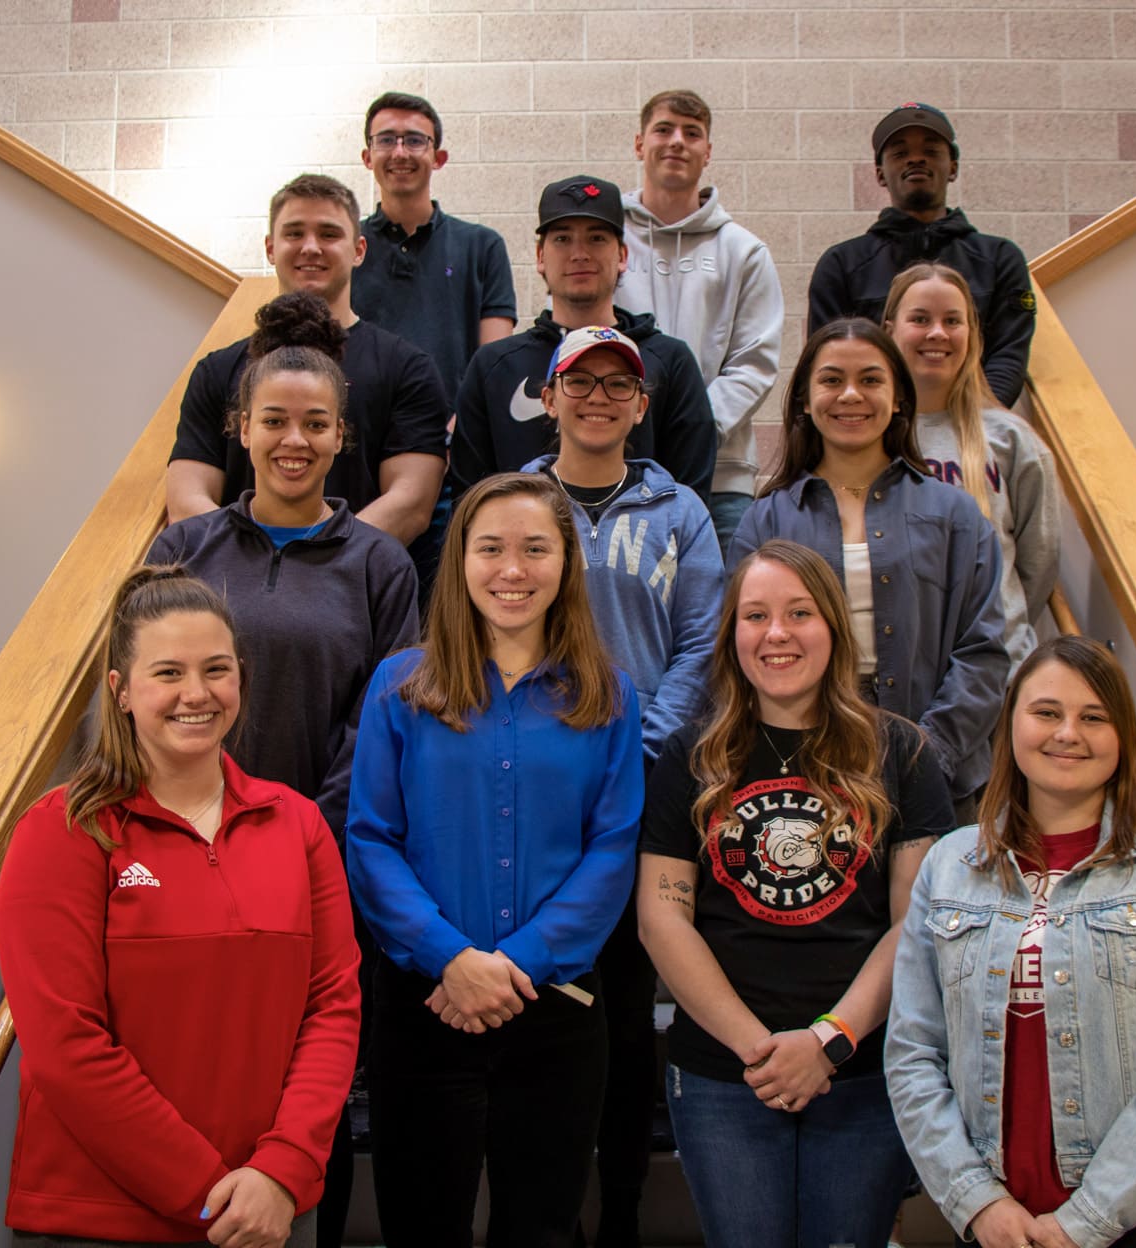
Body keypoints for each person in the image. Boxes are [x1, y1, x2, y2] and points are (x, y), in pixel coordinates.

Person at [148, 293, 418, 1247]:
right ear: (241, 428)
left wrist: (305, 833)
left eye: (314, 424)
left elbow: (384, 719)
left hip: (318, 862)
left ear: (343, 436)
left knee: (312, 1079)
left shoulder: (380, 565)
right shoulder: (185, 550)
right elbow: (149, 693)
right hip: (185, 853)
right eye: (274, 421)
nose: (293, 441)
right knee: (193, 1063)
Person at [0, 567, 359, 1248]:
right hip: (102, 1219)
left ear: (241, 679)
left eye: (216, 669)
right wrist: (208, 1193)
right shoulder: (63, 831)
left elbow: (332, 1007)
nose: (197, 693)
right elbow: (65, 1046)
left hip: (273, 1210)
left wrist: (281, 1171)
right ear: (121, 690)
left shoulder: (299, 825)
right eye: (168, 673)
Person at [345, 472, 645, 1248]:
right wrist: (450, 958)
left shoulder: (609, 696)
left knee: (541, 1231)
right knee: (420, 1228)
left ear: (567, 563)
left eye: (535, 549)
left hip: (556, 1014)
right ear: (460, 561)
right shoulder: (399, 688)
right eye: (491, 549)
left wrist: (516, 964)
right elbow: (371, 839)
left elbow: (612, 849)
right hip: (425, 1004)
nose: (513, 570)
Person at [637, 538, 954, 1248]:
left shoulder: (902, 752)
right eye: (755, 616)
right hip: (725, 1073)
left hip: (864, 1070)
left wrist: (826, 1043)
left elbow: (915, 925)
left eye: (799, 613)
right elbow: (663, 919)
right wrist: (764, 1052)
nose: (776, 633)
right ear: (732, 636)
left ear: (834, 628)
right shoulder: (689, 756)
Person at [885, 635, 1136, 1248]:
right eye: (1047, 712)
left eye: (1094, 718)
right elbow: (912, 1051)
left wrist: (1088, 1220)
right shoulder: (950, 865)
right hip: (999, 1226)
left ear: (1122, 736)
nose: (1068, 733)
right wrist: (975, 1201)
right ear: (1011, 725)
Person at [523, 324, 724, 1248]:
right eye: (580, 381)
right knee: (552, 998)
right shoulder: (518, 501)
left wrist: (633, 744)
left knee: (629, 999)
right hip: (539, 785)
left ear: (642, 406)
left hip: (645, 781)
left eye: (617, 385)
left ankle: (625, 1210)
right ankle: (552, 1211)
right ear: (549, 397)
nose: (597, 398)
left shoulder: (681, 511)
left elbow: (702, 643)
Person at [729, 318, 1009, 819]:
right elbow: (741, 648)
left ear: (898, 397)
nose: (851, 395)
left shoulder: (955, 514)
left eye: (871, 379)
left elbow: (983, 652)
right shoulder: (766, 519)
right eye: (832, 380)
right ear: (805, 400)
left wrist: (926, 756)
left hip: (938, 772)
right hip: (804, 772)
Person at [166, 173, 451, 549]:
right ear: (270, 248)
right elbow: (186, 502)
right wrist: (254, 562)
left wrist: (317, 563)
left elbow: (410, 503)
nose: (311, 247)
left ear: (359, 250)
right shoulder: (216, 371)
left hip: (357, 580)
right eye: (294, 233)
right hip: (231, 580)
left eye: (329, 234)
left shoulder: (407, 369)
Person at [451, 175, 717, 503]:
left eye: (597, 238)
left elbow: (688, 498)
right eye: (563, 239)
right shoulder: (494, 367)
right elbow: (469, 502)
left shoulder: (670, 362)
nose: (579, 253)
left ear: (622, 255)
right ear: (540, 256)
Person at [619, 89, 784, 550]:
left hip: (721, 479)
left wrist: (691, 430)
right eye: (663, 130)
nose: (677, 141)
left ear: (707, 151)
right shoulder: (607, 240)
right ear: (639, 144)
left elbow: (754, 362)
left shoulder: (744, 251)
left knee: (724, 597)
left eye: (691, 133)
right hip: (617, 466)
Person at [883, 263, 1060, 670]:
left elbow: (1038, 565)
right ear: (890, 330)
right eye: (920, 319)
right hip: (901, 674)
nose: (937, 333)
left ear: (972, 333)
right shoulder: (867, 438)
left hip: (998, 669)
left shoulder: (1013, 440)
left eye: (952, 321)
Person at [807, 103, 1037, 406]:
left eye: (930, 151)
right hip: (875, 427)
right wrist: (886, 425)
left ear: (953, 167)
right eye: (900, 153)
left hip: (975, 425)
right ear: (880, 174)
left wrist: (976, 421)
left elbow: (1008, 354)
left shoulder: (1000, 259)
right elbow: (829, 362)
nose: (916, 159)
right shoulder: (841, 265)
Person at [351, 90, 516, 400]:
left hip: (454, 427)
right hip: (360, 427)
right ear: (367, 157)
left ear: (438, 158)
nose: (400, 152)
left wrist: (461, 425)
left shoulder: (483, 246)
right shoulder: (345, 248)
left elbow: (494, 366)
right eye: (386, 140)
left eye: (415, 140)